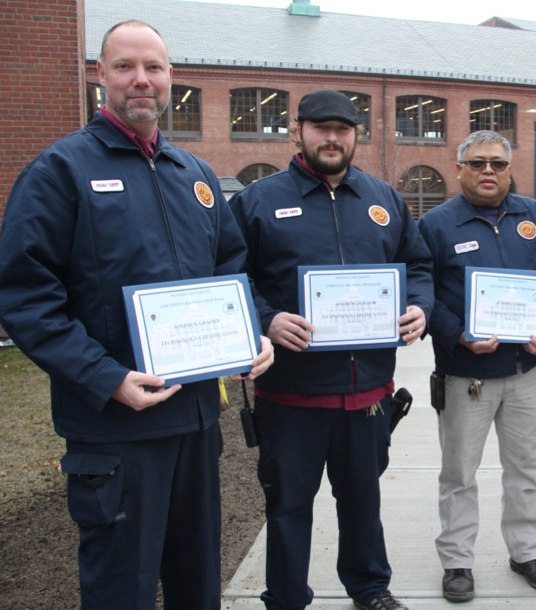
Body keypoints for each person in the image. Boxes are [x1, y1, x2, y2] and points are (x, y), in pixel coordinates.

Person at [0, 20, 273, 610]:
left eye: (154, 67)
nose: (141, 80)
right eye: (125, 67)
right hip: (117, 431)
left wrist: (249, 333)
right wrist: (105, 377)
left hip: (195, 422)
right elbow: (24, 295)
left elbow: (230, 266)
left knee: (198, 580)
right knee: (122, 586)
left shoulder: (193, 176)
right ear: (102, 76)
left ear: (172, 78)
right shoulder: (59, 172)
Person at [228, 89, 434, 610]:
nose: (332, 138)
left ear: (355, 135)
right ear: (298, 130)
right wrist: (266, 320)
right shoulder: (259, 201)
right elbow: (228, 276)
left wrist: (419, 308)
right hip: (291, 395)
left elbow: (420, 267)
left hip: (367, 392)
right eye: (321, 127)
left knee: (362, 501)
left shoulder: (384, 200)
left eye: (343, 129)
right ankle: (286, 597)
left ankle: (369, 588)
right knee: (289, 505)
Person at [416, 131, 536, 602]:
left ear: (510, 169)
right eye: (479, 162)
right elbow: (421, 288)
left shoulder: (535, 217)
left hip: (524, 372)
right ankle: (457, 560)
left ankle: (528, 551)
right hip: (466, 375)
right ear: (459, 166)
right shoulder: (436, 225)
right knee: (459, 473)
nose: (489, 171)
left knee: (526, 467)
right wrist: (456, 333)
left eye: (499, 164)